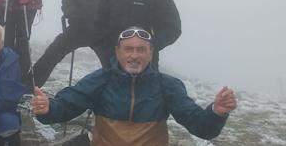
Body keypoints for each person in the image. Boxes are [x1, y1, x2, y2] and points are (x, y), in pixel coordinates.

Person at [33, 27, 236, 145]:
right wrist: (48, 108)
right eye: (128, 49)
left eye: (141, 50)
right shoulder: (101, 79)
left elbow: (201, 127)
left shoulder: (167, 85)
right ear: (117, 51)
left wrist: (216, 113)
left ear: (150, 53)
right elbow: (67, 105)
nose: (134, 55)